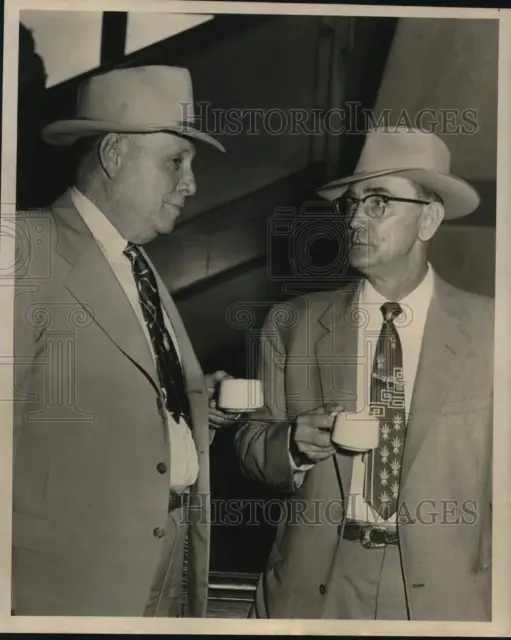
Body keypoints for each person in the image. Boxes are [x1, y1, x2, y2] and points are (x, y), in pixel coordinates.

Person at [235, 127, 493, 621]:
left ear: (428, 220)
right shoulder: (293, 325)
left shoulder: (492, 330)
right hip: (315, 587)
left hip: (446, 593)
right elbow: (250, 444)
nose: (354, 219)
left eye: (378, 203)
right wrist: (289, 444)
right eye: (351, 204)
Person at [12, 65, 234, 617]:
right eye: (174, 161)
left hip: (172, 559)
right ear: (113, 154)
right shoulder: (23, 249)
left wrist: (193, 400)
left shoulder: (137, 263)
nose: (191, 183)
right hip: (70, 585)